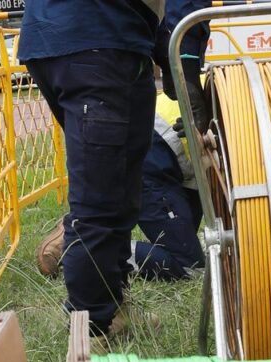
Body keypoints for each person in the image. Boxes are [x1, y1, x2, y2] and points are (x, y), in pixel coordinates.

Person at [19, 0, 164, 337]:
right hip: (98, 38)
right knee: (99, 201)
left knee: (120, 185)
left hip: (85, 35)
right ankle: (91, 334)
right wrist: (183, 57)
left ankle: (112, 306)